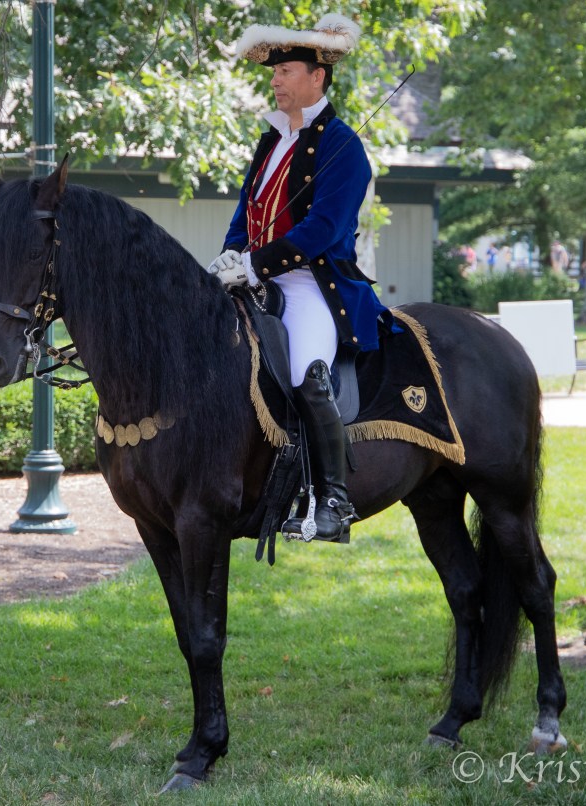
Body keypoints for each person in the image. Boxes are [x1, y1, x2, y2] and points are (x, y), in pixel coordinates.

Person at [206, 14, 391, 543]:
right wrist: (230, 256)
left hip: (313, 285)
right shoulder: (271, 141)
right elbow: (246, 213)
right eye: (274, 72)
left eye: (285, 71)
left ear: (317, 77)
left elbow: (323, 229)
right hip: (255, 280)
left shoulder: (342, 145)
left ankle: (332, 500)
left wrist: (255, 265)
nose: (275, 80)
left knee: (306, 373)